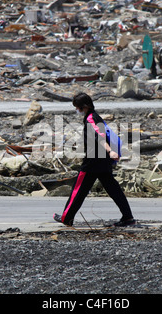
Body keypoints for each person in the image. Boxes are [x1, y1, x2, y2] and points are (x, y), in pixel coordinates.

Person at [53, 93, 136, 227]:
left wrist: (110, 151)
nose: (77, 110)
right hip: (103, 161)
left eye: (78, 108)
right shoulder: (96, 116)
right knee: (114, 189)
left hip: (93, 161)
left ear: (84, 106)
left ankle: (66, 218)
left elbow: (100, 136)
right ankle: (128, 217)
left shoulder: (91, 118)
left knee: (78, 189)